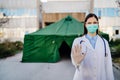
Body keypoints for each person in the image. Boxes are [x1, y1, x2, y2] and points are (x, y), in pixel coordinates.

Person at [71, 13, 114, 80]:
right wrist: (77, 62)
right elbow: (74, 62)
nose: (92, 25)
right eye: (89, 23)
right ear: (85, 25)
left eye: (94, 22)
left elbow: (108, 65)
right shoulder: (78, 41)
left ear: (97, 24)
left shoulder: (104, 42)